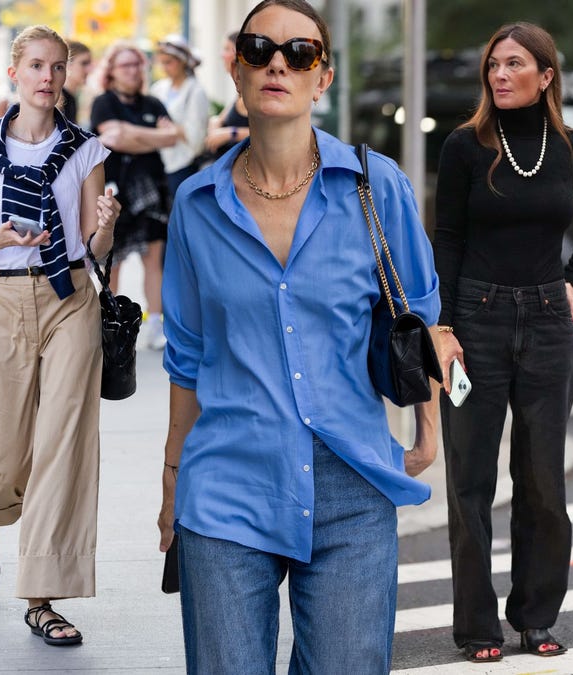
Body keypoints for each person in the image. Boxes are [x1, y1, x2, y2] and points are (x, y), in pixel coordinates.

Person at [157, 1, 441, 672]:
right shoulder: (197, 205)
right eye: (258, 49)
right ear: (237, 71)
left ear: (324, 78)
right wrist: (172, 483)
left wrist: (427, 429)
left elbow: (418, 313)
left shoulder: (376, 188)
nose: (277, 63)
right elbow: (187, 354)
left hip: (352, 486)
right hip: (227, 483)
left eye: (299, 53)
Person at [433, 22, 573, 664]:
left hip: (546, 324)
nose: (500, 76)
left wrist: (570, 279)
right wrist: (445, 327)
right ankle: (477, 628)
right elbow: (447, 237)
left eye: (514, 65)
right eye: (493, 66)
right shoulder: (462, 146)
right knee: (471, 483)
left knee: (543, 484)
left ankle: (536, 618)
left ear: (545, 75)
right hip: (476, 318)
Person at [0, 24, 119, 647]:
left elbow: (94, 246)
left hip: (69, 298)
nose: (47, 77)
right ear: (15, 74)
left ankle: (42, 595)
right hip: (0, 297)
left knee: (64, 443)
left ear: (66, 76)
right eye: (36, 66)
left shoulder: (86, 150)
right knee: (2, 447)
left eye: (58, 67)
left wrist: (104, 225)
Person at [90, 42, 179, 351]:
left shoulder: (153, 103)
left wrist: (130, 135)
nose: (133, 71)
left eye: (137, 65)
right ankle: (111, 325)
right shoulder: (104, 102)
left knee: (154, 259)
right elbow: (112, 136)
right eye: (125, 65)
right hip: (117, 190)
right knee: (113, 261)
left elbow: (172, 136)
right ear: (112, 72)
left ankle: (155, 324)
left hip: (153, 191)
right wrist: (152, 136)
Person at [150, 35, 209, 196]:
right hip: (159, 163)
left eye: (169, 62)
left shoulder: (195, 92)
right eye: (162, 62)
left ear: (182, 61)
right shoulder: (158, 88)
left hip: (183, 167)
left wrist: (173, 128)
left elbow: (197, 140)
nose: (164, 67)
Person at [205, 31, 250, 162]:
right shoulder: (240, 89)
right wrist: (215, 122)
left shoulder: (250, 91)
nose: (221, 55)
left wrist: (231, 133)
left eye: (226, 49)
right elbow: (218, 119)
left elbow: (268, 134)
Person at [61, 39, 92, 126]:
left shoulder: (72, 98)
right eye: (84, 63)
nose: (89, 69)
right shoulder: (57, 99)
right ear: (67, 64)